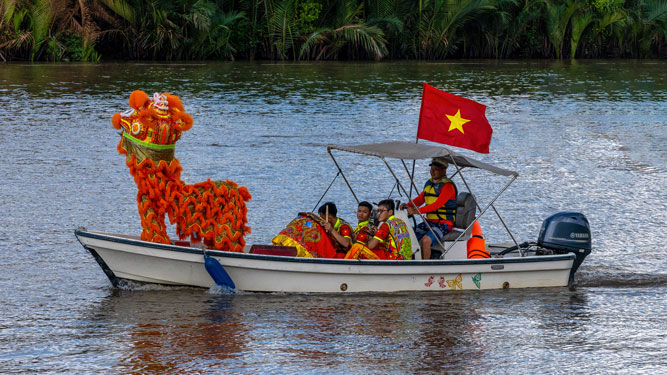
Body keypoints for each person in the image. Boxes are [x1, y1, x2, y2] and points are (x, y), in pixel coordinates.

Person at [400, 156, 458, 260]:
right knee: (409, 235)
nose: (432, 172)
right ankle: (407, 261)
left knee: (426, 240)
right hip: (429, 222)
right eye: (431, 169)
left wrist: (416, 211)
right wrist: (408, 205)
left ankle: (425, 266)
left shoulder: (448, 187)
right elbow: (420, 199)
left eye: (435, 170)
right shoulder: (429, 183)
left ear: (443, 171)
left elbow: (437, 205)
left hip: (444, 224)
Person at [345, 199, 412, 260]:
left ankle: (344, 267)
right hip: (406, 258)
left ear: (390, 212)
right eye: (378, 211)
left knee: (357, 247)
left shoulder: (386, 225)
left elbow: (371, 246)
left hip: (395, 258)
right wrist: (376, 234)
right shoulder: (401, 222)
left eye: (381, 211)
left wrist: (370, 237)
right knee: (379, 245)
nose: (378, 214)